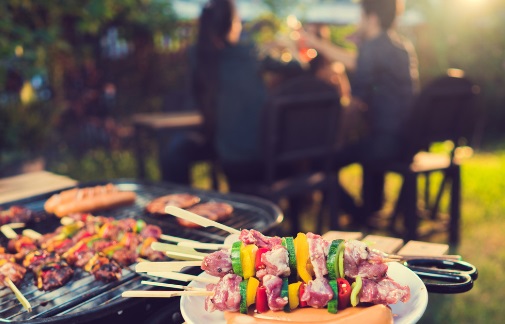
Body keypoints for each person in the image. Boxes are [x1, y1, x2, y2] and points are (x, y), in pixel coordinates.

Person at [161, 0, 303, 186]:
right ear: (232, 25)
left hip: (229, 161)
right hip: (262, 160)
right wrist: (289, 46)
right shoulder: (250, 53)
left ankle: (179, 204)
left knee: (175, 150)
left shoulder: (197, 56)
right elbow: (298, 66)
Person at [303, 0, 420, 224]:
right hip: (407, 139)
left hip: (386, 144)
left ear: (372, 18)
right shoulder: (401, 47)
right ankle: (370, 209)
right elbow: (357, 62)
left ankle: (358, 216)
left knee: (320, 161)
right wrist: (317, 42)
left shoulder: (372, 47)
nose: (358, 21)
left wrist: (337, 138)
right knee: (368, 141)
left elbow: (355, 103)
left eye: (361, 16)